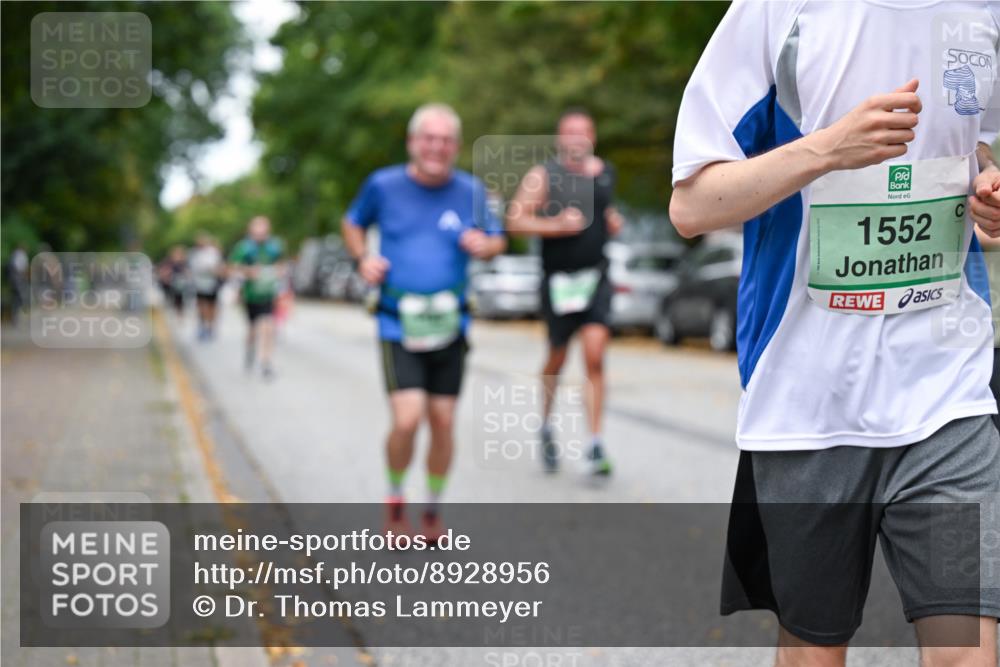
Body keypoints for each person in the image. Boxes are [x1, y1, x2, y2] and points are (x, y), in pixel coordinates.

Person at [670, 2, 999, 664]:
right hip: (807, 403)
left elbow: (972, 146)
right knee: (814, 651)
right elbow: (692, 205)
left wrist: (988, 191)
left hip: (948, 386)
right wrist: (825, 150)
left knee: (968, 647)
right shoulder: (777, 12)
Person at [341, 103, 506, 544]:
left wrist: (484, 245)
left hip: (451, 322)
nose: (437, 147)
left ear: (456, 146)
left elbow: (498, 239)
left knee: (444, 420)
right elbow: (352, 223)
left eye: (446, 140)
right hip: (399, 322)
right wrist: (364, 259)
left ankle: (431, 508)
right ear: (413, 143)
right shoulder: (383, 185)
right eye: (428, 138)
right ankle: (395, 498)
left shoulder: (471, 191)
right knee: (409, 418)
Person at [507, 109, 624, 475]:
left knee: (595, 354)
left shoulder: (605, 173)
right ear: (560, 139)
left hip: (595, 278)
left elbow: (604, 213)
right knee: (557, 358)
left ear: (592, 137)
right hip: (558, 282)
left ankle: (594, 445)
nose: (576, 138)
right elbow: (515, 220)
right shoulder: (544, 175)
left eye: (583, 132)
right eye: (569, 132)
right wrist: (556, 225)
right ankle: (545, 423)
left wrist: (611, 222)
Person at [228, 217, 284, 379]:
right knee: (252, 329)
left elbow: (281, 265)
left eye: (264, 231)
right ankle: (250, 350)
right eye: (257, 231)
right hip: (250, 295)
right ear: (251, 231)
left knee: (268, 326)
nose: (261, 235)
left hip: (268, 293)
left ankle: (266, 362)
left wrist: (277, 272)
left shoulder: (274, 247)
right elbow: (232, 267)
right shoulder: (244, 248)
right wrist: (248, 272)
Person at [188, 233, 224, 341]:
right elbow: (193, 268)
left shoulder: (213, 253)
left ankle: (211, 327)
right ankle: (203, 326)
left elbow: (218, 267)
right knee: (201, 305)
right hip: (199, 284)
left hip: (212, 283)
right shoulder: (194, 253)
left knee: (212, 306)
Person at [157, 245, 188, 317]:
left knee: (179, 301)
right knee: (168, 300)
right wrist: (166, 275)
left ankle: (179, 315)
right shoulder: (168, 262)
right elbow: (161, 271)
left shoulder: (184, 263)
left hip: (179, 285)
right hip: (168, 285)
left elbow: (187, 273)